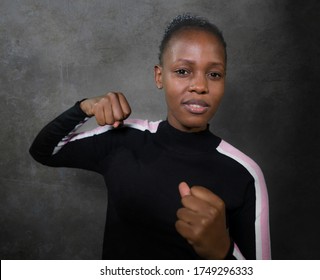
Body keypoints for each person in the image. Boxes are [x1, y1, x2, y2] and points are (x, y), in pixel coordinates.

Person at [29, 14, 271, 260]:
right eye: (183, 71)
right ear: (159, 77)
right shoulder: (123, 139)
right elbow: (44, 151)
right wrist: (84, 108)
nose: (200, 86)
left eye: (214, 74)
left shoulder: (244, 173)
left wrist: (223, 251)